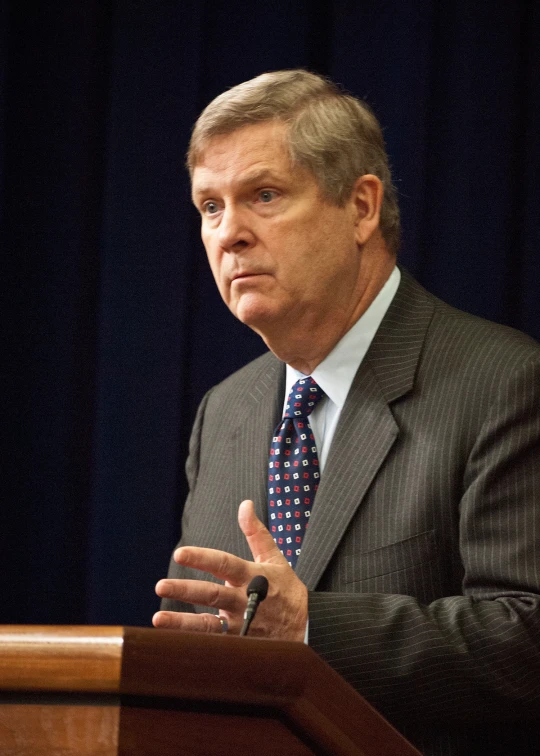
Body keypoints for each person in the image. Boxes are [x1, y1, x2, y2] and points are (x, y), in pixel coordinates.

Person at [153, 70, 540, 754]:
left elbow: (527, 641)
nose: (229, 233)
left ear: (362, 207)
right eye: (209, 207)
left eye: (263, 195)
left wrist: (312, 629)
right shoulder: (226, 411)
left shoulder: (503, 382)